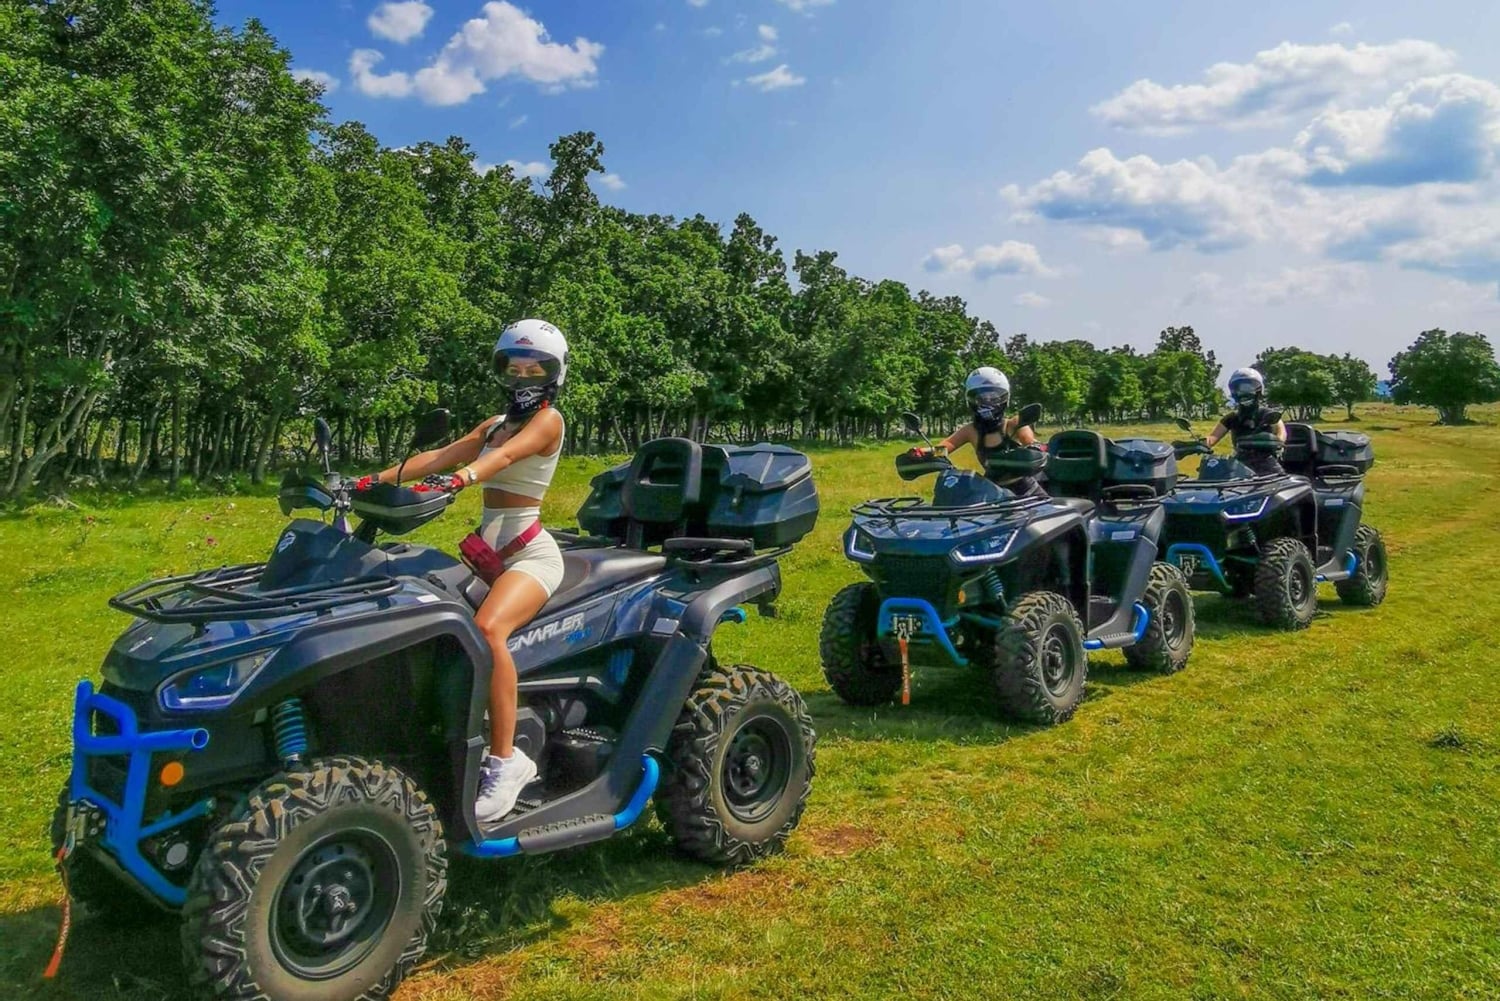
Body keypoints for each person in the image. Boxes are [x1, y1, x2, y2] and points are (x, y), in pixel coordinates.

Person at [360, 319, 569, 823]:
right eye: (514, 368)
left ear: (553, 374)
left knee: (488, 630)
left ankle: (506, 762)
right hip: (491, 555)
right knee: (424, 616)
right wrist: (365, 482)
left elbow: (505, 458)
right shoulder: (494, 423)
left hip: (531, 556)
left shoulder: (548, 421)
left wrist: (461, 479)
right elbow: (439, 454)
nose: (523, 377)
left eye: (534, 368)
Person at [923, 367, 1045, 497]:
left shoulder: (1013, 424)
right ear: (970, 399)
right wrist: (921, 453)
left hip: (1026, 492)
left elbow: (1031, 442)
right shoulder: (971, 430)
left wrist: (1035, 447)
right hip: (992, 491)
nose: (988, 402)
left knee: (1047, 514)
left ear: (1004, 398)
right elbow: (944, 449)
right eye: (981, 398)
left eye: (993, 397)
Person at [1205, 366, 1286, 476]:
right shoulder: (1232, 418)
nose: (1243, 392)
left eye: (1249, 387)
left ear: (1258, 389)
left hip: (1266, 461)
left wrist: (1277, 443)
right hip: (1239, 463)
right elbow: (1212, 438)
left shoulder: (1268, 413)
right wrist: (1198, 445)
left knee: (1279, 487)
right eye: (1239, 388)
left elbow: (1282, 433)